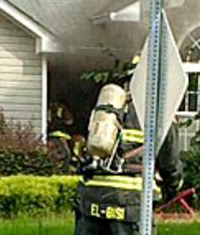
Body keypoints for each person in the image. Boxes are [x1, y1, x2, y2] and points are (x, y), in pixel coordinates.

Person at [74, 91, 183, 235]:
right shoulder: (160, 114)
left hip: (92, 198)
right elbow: (170, 164)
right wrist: (170, 191)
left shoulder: (107, 109)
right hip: (130, 201)